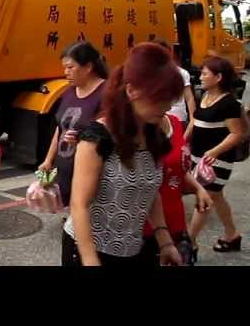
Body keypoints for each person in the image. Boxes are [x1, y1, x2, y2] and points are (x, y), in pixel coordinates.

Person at [63, 43, 185, 266]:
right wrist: (90, 260)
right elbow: (79, 204)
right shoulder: (97, 138)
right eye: (160, 99)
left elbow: (150, 190)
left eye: (171, 99)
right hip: (91, 250)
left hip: (133, 249)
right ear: (131, 91)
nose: (167, 106)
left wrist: (165, 241)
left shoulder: (154, 135)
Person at [186, 55, 245, 256]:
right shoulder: (204, 96)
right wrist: (183, 141)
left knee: (204, 198)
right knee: (216, 197)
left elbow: (237, 133)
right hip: (198, 158)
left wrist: (214, 151)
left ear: (218, 77)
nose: (200, 77)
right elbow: (195, 122)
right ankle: (232, 235)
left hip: (216, 161)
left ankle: (189, 243)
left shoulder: (229, 103)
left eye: (204, 73)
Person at [38, 41, 107, 209]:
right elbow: (60, 129)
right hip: (65, 168)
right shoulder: (69, 92)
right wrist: (48, 160)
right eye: (64, 68)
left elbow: (110, 136)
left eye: (70, 67)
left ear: (88, 67)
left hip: (91, 172)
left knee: (85, 213)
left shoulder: (106, 93)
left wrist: (83, 140)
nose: (66, 72)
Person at [138, 112, 213, 266]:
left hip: (175, 220)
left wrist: (198, 188)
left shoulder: (174, 122)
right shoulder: (135, 130)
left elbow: (178, 167)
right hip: (144, 227)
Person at [153, 38, 196, 131]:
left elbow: (189, 98)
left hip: (178, 118)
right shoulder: (149, 74)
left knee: (178, 145)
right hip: (156, 119)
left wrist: (192, 119)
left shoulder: (181, 73)